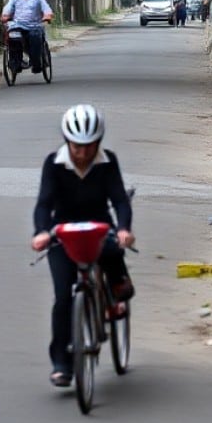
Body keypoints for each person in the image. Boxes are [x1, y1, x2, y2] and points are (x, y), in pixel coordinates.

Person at [32, 104, 135, 387]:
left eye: (89, 146)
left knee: (114, 248)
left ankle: (116, 285)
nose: (83, 153)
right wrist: (41, 232)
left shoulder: (108, 162)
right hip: (62, 234)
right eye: (77, 146)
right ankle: (61, 362)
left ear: (98, 143)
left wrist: (124, 229)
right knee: (63, 296)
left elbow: (119, 200)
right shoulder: (53, 164)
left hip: (99, 226)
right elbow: (43, 204)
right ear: (68, 141)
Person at [0, 0, 53, 73]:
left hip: (34, 26)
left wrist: (47, 16)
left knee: (35, 36)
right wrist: (5, 16)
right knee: (12, 37)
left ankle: (36, 63)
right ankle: (16, 62)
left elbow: (47, 9)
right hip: (18, 25)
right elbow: (7, 10)